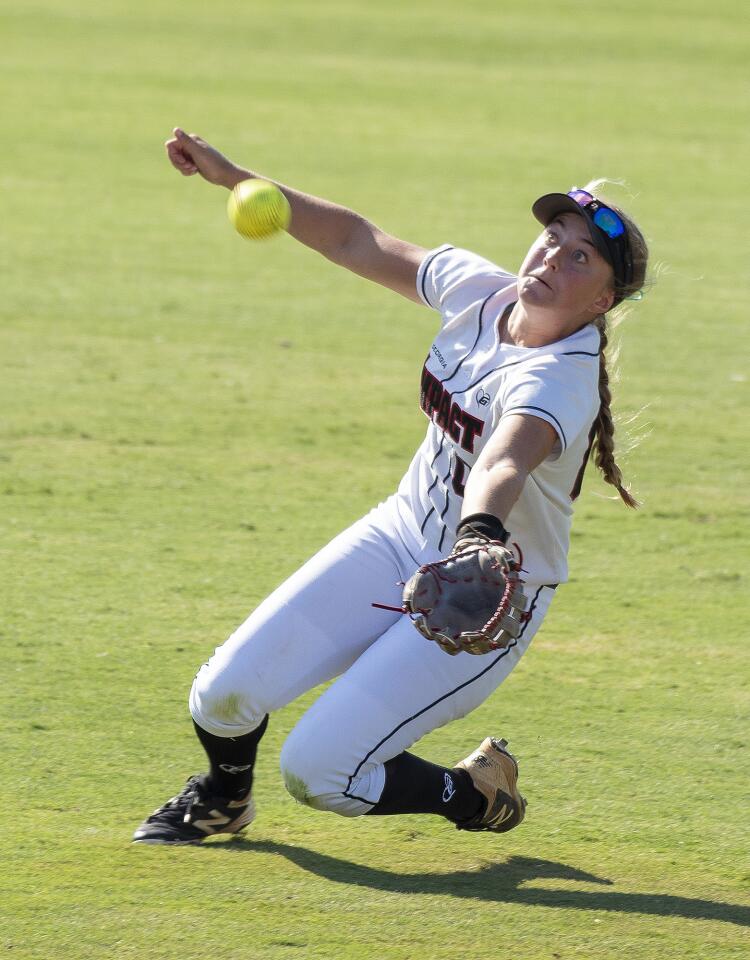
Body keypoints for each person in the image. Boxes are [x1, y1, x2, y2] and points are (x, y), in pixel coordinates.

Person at [133, 128, 648, 844]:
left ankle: (475, 793)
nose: (552, 256)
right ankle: (223, 799)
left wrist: (478, 540)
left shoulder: (558, 381)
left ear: (603, 299)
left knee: (319, 773)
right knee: (223, 696)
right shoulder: (479, 290)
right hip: (397, 537)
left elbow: (504, 458)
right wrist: (235, 177)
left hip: (485, 595)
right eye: (553, 237)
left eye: (580, 257)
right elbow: (354, 240)